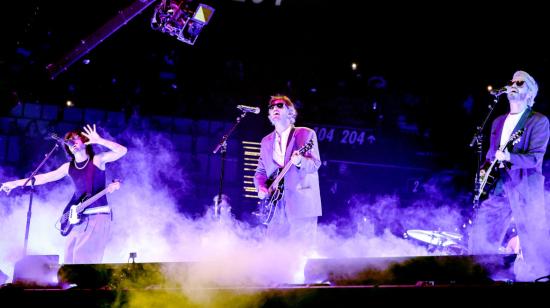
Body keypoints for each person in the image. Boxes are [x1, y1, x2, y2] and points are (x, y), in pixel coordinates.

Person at [1, 124, 127, 264]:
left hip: (97, 216)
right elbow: (44, 178)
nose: (72, 142)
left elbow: (122, 151)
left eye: (75, 139)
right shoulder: (68, 167)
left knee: (84, 261)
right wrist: (14, 184)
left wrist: (99, 140)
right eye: (69, 140)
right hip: (76, 218)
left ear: (85, 141)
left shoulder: (97, 160)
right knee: (68, 261)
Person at [468, 71, 550, 281]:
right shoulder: (498, 121)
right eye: (512, 81)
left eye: (520, 83)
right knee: (483, 232)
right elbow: (490, 155)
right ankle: (479, 275)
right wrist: (484, 170)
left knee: (533, 242)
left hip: (525, 187)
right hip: (500, 187)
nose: (513, 84)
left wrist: (509, 156)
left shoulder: (538, 121)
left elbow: (534, 159)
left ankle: (539, 278)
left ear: (529, 93)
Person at [254, 95, 322, 256]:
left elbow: (314, 165)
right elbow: (260, 172)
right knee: (272, 251)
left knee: (301, 252)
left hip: (302, 202)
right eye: (271, 107)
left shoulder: (305, 134)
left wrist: (299, 161)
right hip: (276, 207)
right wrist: (261, 187)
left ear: (290, 112)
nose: (274, 109)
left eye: (279, 105)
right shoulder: (265, 141)